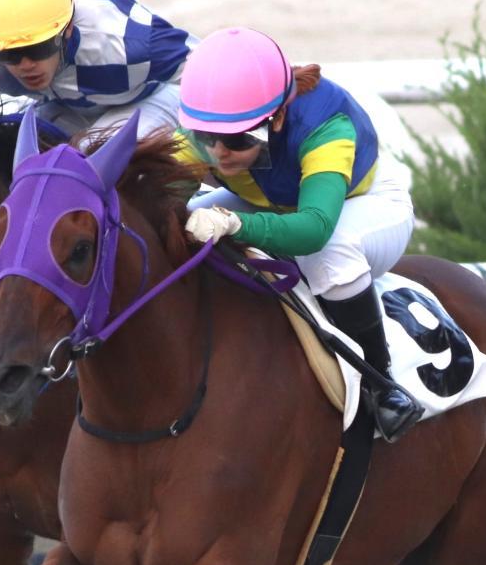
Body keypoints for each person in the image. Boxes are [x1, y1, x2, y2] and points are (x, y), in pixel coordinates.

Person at [178, 26, 423, 442]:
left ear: (275, 118)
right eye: (206, 137)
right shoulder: (210, 127)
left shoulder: (324, 126)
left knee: (329, 253)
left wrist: (236, 224)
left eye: (236, 138)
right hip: (271, 202)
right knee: (185, 223)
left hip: (361, 204)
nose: (218, 152)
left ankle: (381, 383)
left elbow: (313, 229)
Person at [0, 0, 196, 138]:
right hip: (70, 108)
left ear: (68, 28)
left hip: (154, 97)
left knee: (96, 150)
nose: (26, 65)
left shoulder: (127, 42)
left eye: (38, 48)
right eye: (10, 54)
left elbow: (209, 70)